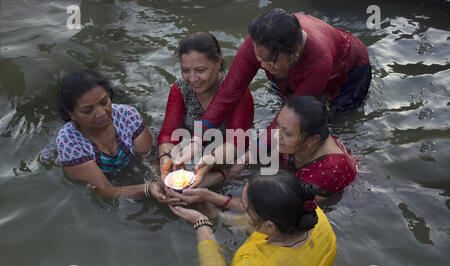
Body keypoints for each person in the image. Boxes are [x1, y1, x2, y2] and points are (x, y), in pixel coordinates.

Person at [176, 8, 371, 168]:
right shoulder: (260, 44)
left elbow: (289, 115)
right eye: (258, 57)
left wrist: (250, 156)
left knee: (322, 123)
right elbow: (230, 91)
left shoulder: (319, 59)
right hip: (291, 72)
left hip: (348, 71)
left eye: (268, 61)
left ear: (294, 54)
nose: (260, 64)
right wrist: (196, 139)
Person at [167, 171, 337, 266]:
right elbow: (264, 229)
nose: (243, 209)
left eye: (246, 209)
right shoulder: (313, 215)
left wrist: (201, 223)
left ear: (269, 226)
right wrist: (218, 214)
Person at [56, 69, 183, 204]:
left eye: (104, 102)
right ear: (70, 113)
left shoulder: (128, 116)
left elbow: (149, 159)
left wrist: (165, 182)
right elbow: (103, 190)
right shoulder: (69, 143)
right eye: (88, 111)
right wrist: (146, 188)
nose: (101, 113)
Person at [158, 32, 254, 187]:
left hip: (227, 159)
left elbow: (237, 143)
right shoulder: (180, 88)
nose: (193, 78)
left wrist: (210, 163)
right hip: (191, 153)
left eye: (200, 70)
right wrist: (166, 162)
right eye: (186, 71)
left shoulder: (238, 91)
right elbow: (169, 134)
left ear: (218, 63)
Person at [277, 95, 357, 198]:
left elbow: (286, 206)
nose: (276, 135)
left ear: (312, 140)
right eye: (277, 125)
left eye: (287, 133)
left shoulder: (324, 175)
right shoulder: (306, 137)